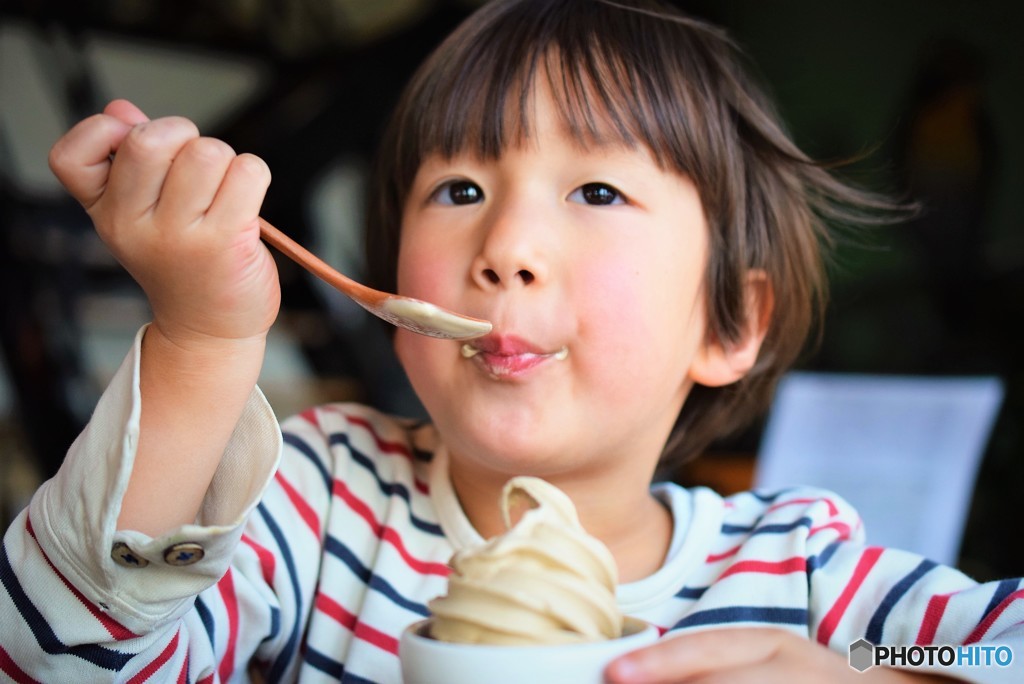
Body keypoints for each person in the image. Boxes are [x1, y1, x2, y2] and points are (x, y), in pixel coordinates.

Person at [2, 1, 1020, 682]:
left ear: (729, 324)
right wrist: (201, 340)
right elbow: (51, 661)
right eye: (458, 190)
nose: (507, 246)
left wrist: (884, 678)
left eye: (597, 190)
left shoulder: (801, 570)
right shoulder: (318, 510)